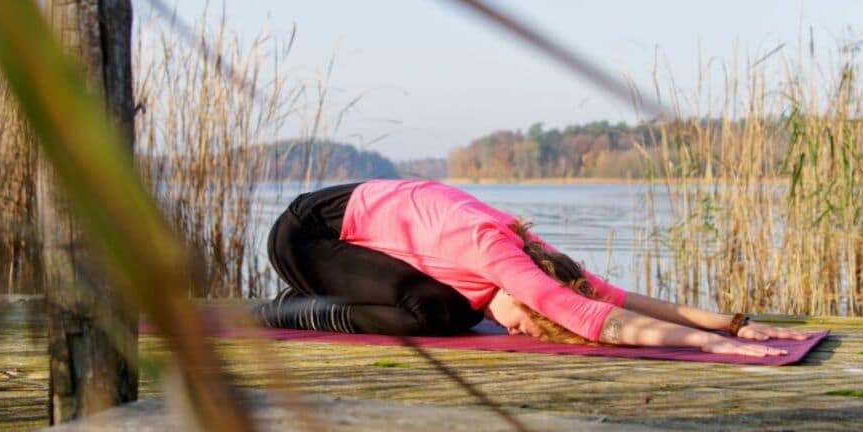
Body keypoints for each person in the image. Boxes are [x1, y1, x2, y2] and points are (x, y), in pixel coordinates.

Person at [257, 180, 810, 358]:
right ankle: (286, 310)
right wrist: (705, 347)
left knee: (451, 310)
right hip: (306, 234)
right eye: (528, 319)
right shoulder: (499, 257)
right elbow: (593, 319)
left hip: (345, 224)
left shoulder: (523, 248)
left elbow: (608, 296)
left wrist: (726, 323)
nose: (518, 327)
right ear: (522, 289)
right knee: (436, 311)